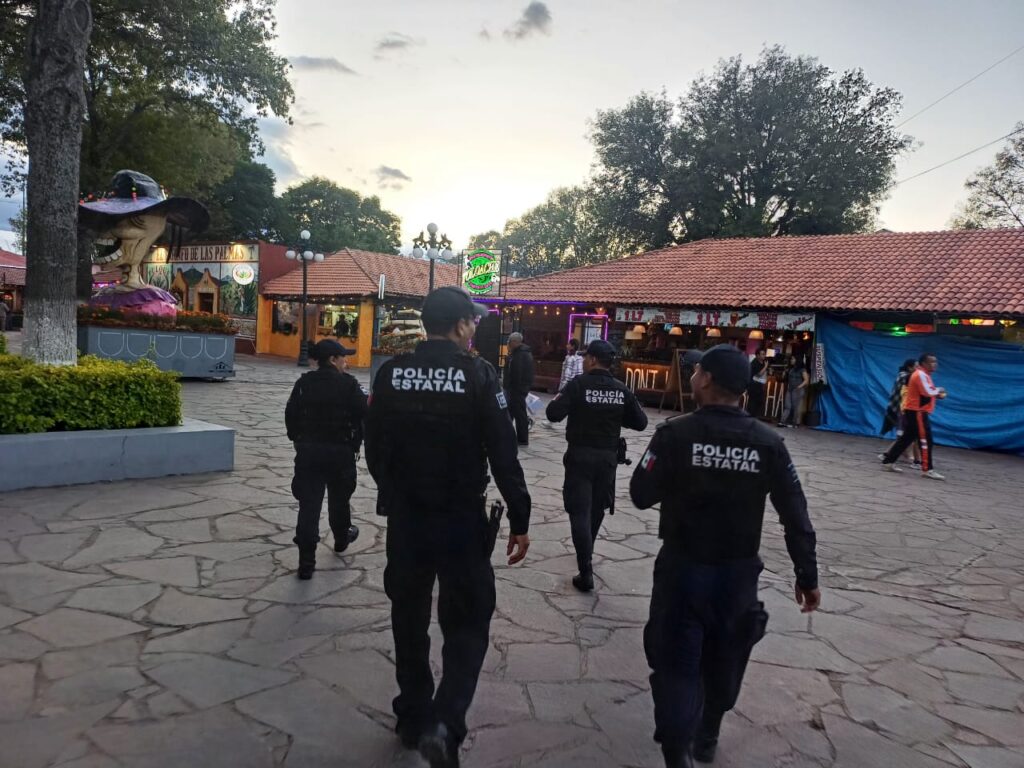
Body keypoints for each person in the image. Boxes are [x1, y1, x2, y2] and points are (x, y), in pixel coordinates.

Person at [629, 344, 821, 768]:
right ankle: (708, 734)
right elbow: (795, 513)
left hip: (683, 570)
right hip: (736, 577)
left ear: (707, 380)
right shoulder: (768, 443)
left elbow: (640, 493)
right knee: (725, 658)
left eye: (697, 370)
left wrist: (683, 476)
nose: (692, 375)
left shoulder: (675, 435)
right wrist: (807, 575)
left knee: (676, 663)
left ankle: (678, 749)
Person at [365, 286, 532, 768]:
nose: (475, 327)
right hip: (460, 520)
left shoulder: (391, 373)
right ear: (460, 325)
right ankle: (445, 722)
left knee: (408, 616)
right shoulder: (479, 375)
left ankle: (412, 714)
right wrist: (520, 516)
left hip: (408, 520)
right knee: (469, 621)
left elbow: (373, 445)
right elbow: (503, 452)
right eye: (473, 321)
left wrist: (394, 491)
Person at [546, 339, 648, 591]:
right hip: (607, 460)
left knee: (579, 511)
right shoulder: (621, 389)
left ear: (592, 359)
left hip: (580, 456)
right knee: (596, 510)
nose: (583, 361)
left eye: (585, 357)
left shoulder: (578, 385)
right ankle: (587, 553)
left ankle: (585, 569)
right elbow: (641, 422)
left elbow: (553, 413)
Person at [284, 339, 366, 580]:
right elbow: (364, 413)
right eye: (343, 358)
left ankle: (306, 561)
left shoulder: (304, 383)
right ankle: (341, 537)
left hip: (309, 453)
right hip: (340, 453)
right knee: (339, 500)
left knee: (309, 506)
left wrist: (298, 439)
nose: (346, 363)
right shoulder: (349, 385)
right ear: (332, 359)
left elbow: (291, 414)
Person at [881, 352, 947, 480]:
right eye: (931, 362)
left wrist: (936, 393)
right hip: (917, 412)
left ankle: (888, 462)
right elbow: (927, 392)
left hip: (915, 411)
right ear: (923, 363)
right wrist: (939, 390)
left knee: (907, 438)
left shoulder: (924, 375)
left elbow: (926, 392)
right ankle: (927, 470)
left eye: (935, 362)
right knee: (926, 440)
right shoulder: (920, 374)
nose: (935, 364)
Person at [879, 359, 921, 468]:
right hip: (901, 410)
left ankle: (888, 455)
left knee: (907, 435)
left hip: (902, 410)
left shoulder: (906, 376)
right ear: (909, 367)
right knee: (909, 435)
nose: (919, 369)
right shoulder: (905, 376)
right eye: (916, 366)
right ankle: (914, 460)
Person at [503, 331, 535, 445]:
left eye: (509, 341)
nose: (508, 343)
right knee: (510, 413)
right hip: (516, 389)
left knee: (519, 414)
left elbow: (517, 373)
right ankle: (506, 435)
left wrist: (513, 388)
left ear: (515, 342)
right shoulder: (517, 353)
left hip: (517, 389)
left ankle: (522, 439)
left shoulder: (520, 355)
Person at [777, 354, 809, 428]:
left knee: (795, 407)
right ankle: (782, 421)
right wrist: (784, 373)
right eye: (791, 359)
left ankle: (795, 423)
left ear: (797, 360)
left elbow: (806, 380)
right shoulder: (791, 369)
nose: (791, 360)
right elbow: (785, 379)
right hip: (790, 389)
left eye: (792, 359)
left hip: (798, 390)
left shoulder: (802, 369)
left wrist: (799, 387)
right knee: (787, 406)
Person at [747, 348, 768, 419]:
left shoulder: (763, 362)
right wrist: (766, 366)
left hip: (759, 386)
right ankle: (749, 418)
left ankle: (754, 418)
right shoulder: (754, 363)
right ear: (757, 355)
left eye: (764, 354)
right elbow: (759, 374)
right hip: (753, 386)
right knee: (752, 403)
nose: (764, 356)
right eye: (762, 354)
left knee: (760, 402)